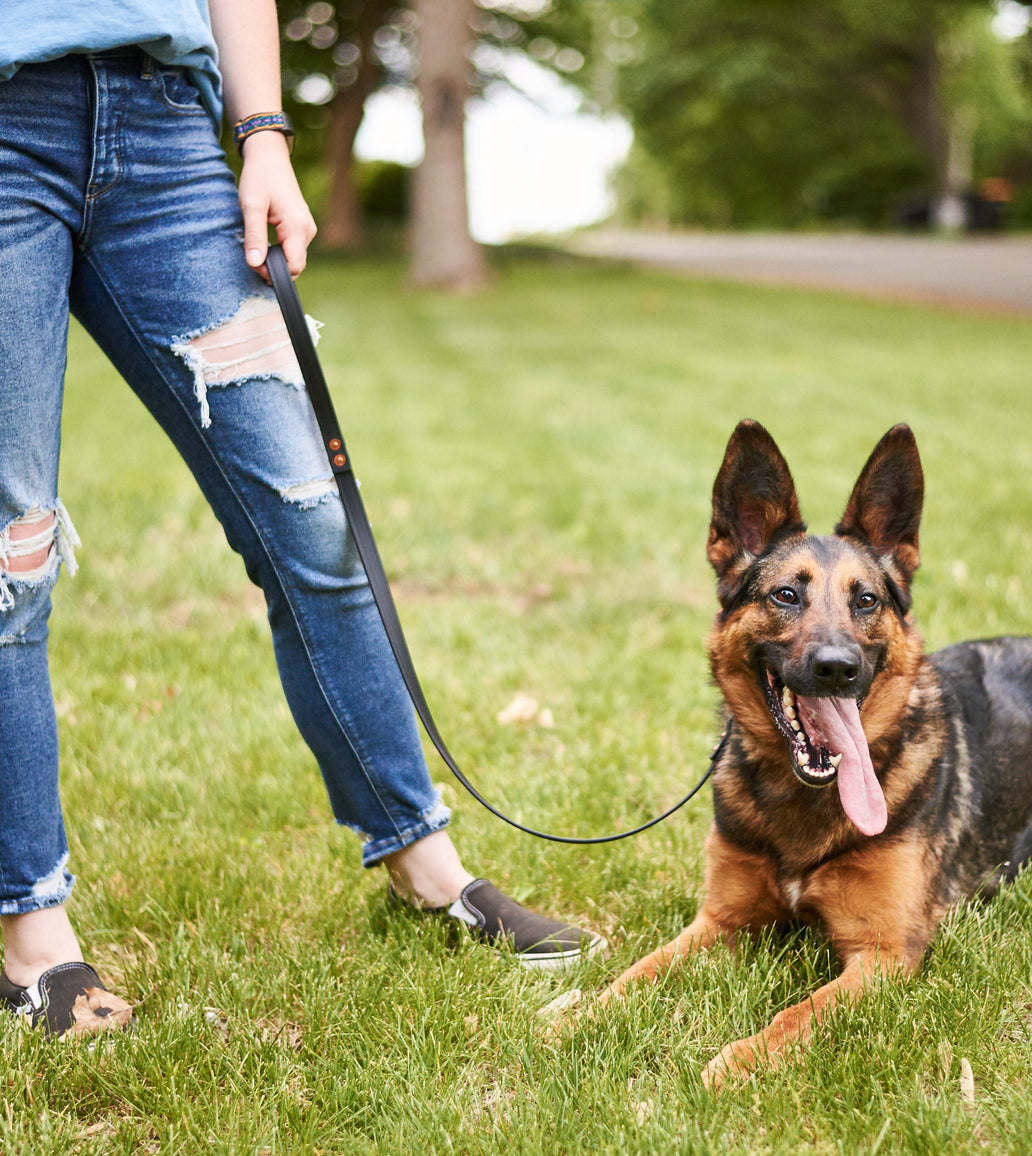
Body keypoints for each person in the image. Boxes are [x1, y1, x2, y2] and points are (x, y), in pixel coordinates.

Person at [0, 0, 598, 1040]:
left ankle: (424, 864)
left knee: (309, 519)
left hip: (165, 128)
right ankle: (35, 942)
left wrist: (263, 132)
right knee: (12, 555)